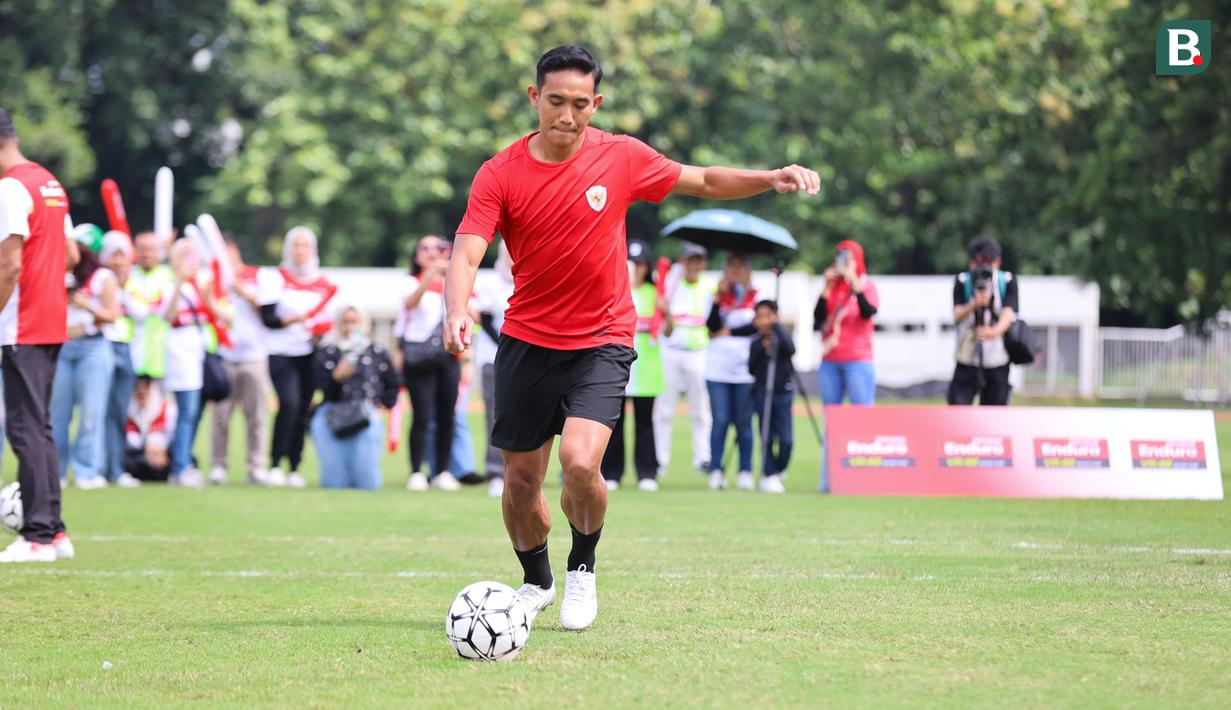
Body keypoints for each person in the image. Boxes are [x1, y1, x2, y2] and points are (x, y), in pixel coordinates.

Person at [443, 45, 820, 630]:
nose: (567, 117)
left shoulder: (620, 156)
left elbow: (703, 181)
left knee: (578, 463)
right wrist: (456, 309)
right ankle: (536, 580)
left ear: (596, 103)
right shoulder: (500, 172)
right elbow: (468, 250)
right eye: (555, 102)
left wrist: (769, 178)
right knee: (520, 481)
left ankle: (582, 570)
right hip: (526, 341)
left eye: (579, 105)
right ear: (533, 97)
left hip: (602, 339)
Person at [0, 106, 78, 563]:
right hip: (50, 318)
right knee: (40, 425)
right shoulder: (48, 182)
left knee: (25, 428)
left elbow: (9, 264)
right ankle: (55, 531)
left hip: (21, 320)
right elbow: (69, 254)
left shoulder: (10, 187)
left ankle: (38, 536)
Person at [258, 226, 337, 488]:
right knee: (289, 404)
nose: (300, 250)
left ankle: (294, 465)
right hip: (281, 352)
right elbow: (268, 318)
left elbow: (327, 321)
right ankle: (275, 463)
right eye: (296, 244)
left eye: (305, 245)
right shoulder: (275, 278)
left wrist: (317, 330)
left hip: (309, 353)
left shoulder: (324, 284)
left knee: (303, 408)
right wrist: (296, 319)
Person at [398, 234, 465, 492]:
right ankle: (416, 470)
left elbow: (473, 313)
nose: (431, 252)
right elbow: (409, 303)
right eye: (424, 248)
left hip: (448, 356)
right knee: (422, 415)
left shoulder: (455, 283)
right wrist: (431, 276)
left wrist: (450, 278)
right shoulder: (410, 282)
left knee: (447, 415)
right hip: (419, 357)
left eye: (436, 248)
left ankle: (442, 470)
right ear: (416, 256)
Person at [50, 243, 120, 489]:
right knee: (58, 414)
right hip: (61, 346)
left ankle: (86, 470)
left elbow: (113, 314)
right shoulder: (56, 274)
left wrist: (86, 306)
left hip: (92, 347)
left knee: (92, 412)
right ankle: (55, 471)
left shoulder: (102, 277)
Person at [310, 305, 400, 490]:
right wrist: (337, 375)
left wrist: (384, 405)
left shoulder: (376, 351)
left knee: (367, 482)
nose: (350, 327)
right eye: (345, 322)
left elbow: (393, 383)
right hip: (333, 413)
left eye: (354, 321)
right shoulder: (328, 351)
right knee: (333, 483)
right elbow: (321, 389)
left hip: (366, 413)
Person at [600, 240, 663, 492]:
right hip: (617, 365)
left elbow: (665, 332)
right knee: (614, 424)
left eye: (640, 264)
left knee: (645, 423)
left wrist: (665, 313)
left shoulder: (656, 294)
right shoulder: (614, 290)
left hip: (646, 370)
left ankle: (647, 472)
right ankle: (612, 472)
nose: (635, 269)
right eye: (632, 263)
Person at [163, 238, 225, 488]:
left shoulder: (201, 285)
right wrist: (179, 281)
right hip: (180, 351)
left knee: (194, 411)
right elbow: (168, 316)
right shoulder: (171, 286)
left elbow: (221, 315)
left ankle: (183, 460)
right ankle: (180, 465)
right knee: (186, 410)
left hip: (198, 350)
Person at [209, 237, 272, 486]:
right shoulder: (215, 281)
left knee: (255, 415)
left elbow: (268, 312)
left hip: (254, 357)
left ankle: (256, 467)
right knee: (220, 415)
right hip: (226, 356)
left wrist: (243, 292)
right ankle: (218, 465)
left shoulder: (258, 277)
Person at [653, 241, 713, 476]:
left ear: (704, 264)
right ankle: (660, 459)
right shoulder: (671, 285)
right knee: (665, 408)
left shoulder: (709, 287)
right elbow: (665, 326)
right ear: (683, 262)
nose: (694, 265)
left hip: (698, 351)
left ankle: (703, 458)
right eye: (690, 260)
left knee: (700, 409)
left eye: (698, 260)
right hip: (671, 349)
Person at [705, 252, 758, 492]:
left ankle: (745, 470)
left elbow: (756, 327)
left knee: (744, 422)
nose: (735, 271)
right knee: (721, 420)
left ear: (748, 270)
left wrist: (730, 332)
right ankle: (716, 469)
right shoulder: (716, 297)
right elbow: (712, 327)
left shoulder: (757, 297)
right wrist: (717, 300)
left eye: (740, 267)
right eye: (730, 267)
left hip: (746, 371)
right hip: (718, 369)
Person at [948, 237, 1018, 406]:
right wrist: (973, 305)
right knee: (958, 410)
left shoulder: (1007, 281)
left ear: (998, 263)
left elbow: (1008, 314)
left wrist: (993, 332)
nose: (983, 268)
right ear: (971, 263)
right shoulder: (963, 281)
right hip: (968, 357)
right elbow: (957, 316)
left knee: (994, 416)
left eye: (988, 263)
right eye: (979, 263)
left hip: (997, 358)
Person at [99, 231, 146, 488]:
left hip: (126, 348)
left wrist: (122, 288)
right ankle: (94, 467)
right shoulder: (98, 279)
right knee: (96, 413)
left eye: (122, 255)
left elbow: (141, 314)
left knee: (118, 412)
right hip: (102, 346)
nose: (119, 262)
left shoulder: (134, 283)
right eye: (114, 255)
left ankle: (115, 469)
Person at [813, 240, 878, 405]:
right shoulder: (832, 288)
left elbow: (868, 312)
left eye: (848, 259)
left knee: (862, 415)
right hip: (830, 358)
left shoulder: (867, 286)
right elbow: (818, 318)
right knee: (832, 416)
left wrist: (854, 283)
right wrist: (826, 287)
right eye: (840, 258)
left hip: (857, 359)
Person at [475, 241, 514, 497]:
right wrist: (510, 346)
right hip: (495, 358)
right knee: (495, 416)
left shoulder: (534, 278)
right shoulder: (490, 283)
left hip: (527, 359)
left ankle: (522, 471)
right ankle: (496, 472)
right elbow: (486, 320)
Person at [748, 300, 794, 494]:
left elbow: (791, 349)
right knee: (766, 435)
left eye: (768, 316)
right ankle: (769, 473)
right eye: (760, 316)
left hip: (782, 392)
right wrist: (762, 349)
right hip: (762, 393)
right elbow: (751, 369)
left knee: (786, 439)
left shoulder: (782, 338)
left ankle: (780, 467)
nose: (764, 320)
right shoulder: (756, 343)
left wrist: (778, 329)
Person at [126, 231, 176, 379]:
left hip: (164, 357)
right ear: (135, 250)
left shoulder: (169, 275)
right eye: (142, 249)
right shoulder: (127, 275)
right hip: (131, 354)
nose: (146, 254)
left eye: (151, 249)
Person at [123, 376, 176, 481]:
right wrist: (147, 450)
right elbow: (131, 441)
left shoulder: (166, 408)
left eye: (145, 390)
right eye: (138, 391)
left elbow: (173, 435)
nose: (142, 393)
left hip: (162, 452)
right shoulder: (127, 410)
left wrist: (160, 449)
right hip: (140, 454)